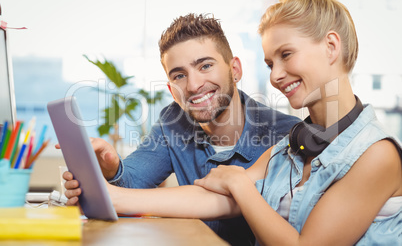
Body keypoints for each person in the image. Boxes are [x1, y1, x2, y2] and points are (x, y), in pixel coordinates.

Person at [66, 0, 402, 244]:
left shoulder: (377, 156)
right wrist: (108, 195)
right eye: (271, 62)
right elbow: (214, 200)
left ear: (331, 46)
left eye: (286, 55)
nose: (275, 75)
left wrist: (240, 183)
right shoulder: (294, 145)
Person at [63, 13, 300, 245]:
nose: (194, 85)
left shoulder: (287, 135)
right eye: (179, 75)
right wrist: (112, 168)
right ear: (170, 89)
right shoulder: (173, 121)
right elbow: (134, 181)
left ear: (235, 69)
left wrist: (113, 197)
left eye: (205, 66)